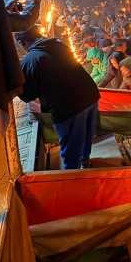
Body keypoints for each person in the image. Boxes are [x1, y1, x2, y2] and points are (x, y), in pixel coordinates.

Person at [16, 34, 100, 170]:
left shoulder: (29, 61)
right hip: (90, 94)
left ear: (22, 42)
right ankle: (85, 162)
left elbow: (27, 94)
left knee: (71, 147)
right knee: (86, 135)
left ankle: (73, 177)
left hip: (69, 106)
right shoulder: (59, 46)